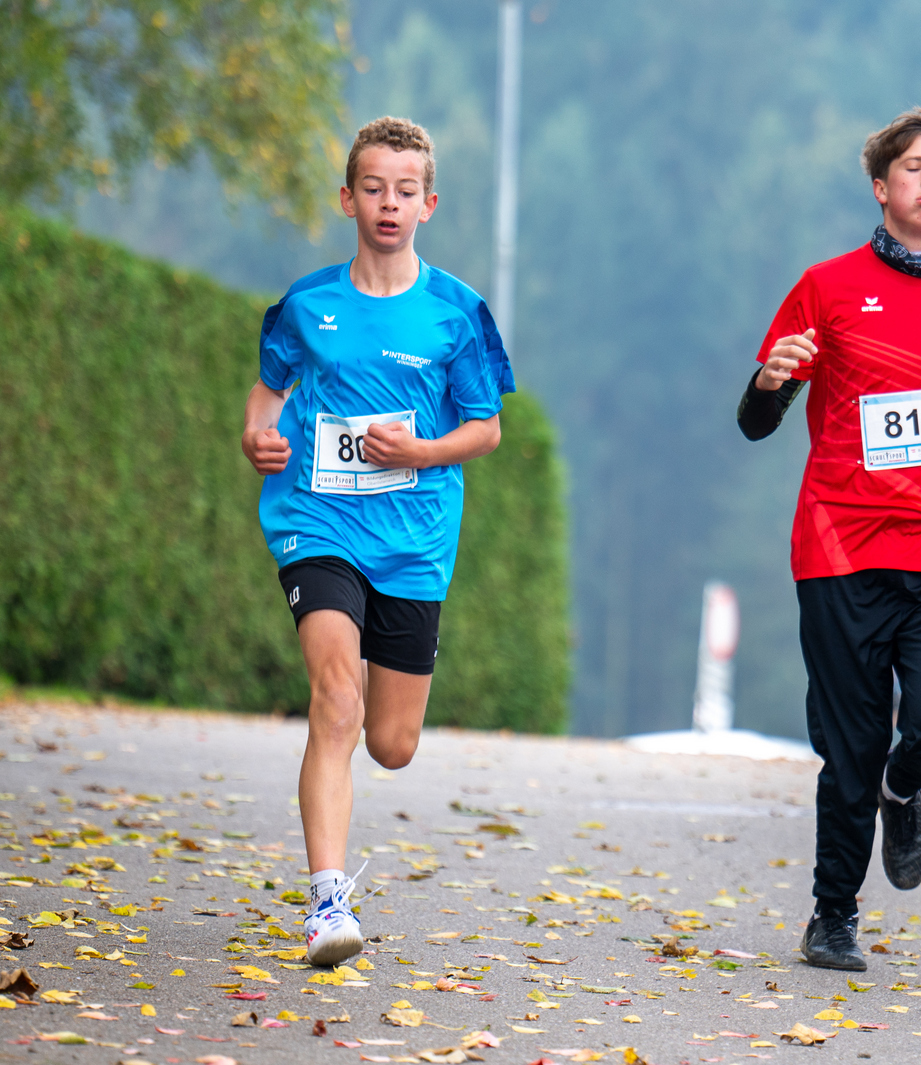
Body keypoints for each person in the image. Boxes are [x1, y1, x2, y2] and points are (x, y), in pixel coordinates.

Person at [736, 106, 921, 972]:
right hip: (841, 548)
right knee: (850, 744)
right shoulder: (826, 288)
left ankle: (903, 789)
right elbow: (756, 420)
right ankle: (832, 915)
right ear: (880, 186)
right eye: (914, 168)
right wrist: (770, 380)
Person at [240, 117, 514, 966]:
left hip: (412, 540)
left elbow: (487, 428)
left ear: (428, 204)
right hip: (317, 522)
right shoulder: (307, 304)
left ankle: (371, 687)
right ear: (348, 198)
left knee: (391, 743)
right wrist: (258, 434)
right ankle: (328, 904)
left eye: (405, 191)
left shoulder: (456, 313)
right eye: (372, 188)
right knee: (336, 701)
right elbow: (268, 387)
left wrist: (421, 452)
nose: (388, 203)